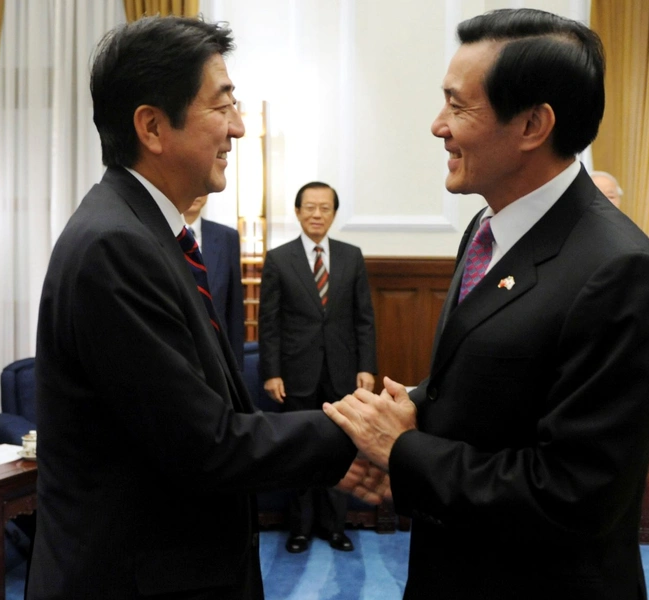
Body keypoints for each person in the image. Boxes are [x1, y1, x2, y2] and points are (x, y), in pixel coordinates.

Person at [323, 8, 649, 599]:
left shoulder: (619, 272)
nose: (438, 126)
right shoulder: (487, 231)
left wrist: (405, 453)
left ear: (533, 125)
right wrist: (404, 416)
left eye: (458, 107)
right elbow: (491, 383)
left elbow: (572, 494)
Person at [28, 16, 383, 600]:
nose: (239, 128)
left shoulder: (148, 234)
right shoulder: (115, 247)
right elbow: (209, 445)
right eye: (223, 106)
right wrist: (363, 428)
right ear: (152, 126)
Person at [258, 181, 377, 554]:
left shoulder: (351, 256)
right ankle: (300, 529)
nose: (316, 214)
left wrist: (366, 366)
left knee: (341, 450)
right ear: (297, 212)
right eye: (309, 207)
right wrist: (271, 371)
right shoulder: (279, 259)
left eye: (325, 208)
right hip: (296, 373)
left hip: (343, 371)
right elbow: (269, 323)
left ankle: (335, 526)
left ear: (334, 214)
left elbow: (364, 319)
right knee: (301, 453)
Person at [183, 195, 245, 369]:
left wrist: (236, 366)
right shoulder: (156, 231)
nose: (195, 192)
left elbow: (234, 308)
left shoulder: (227, 237)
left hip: (217, 354)